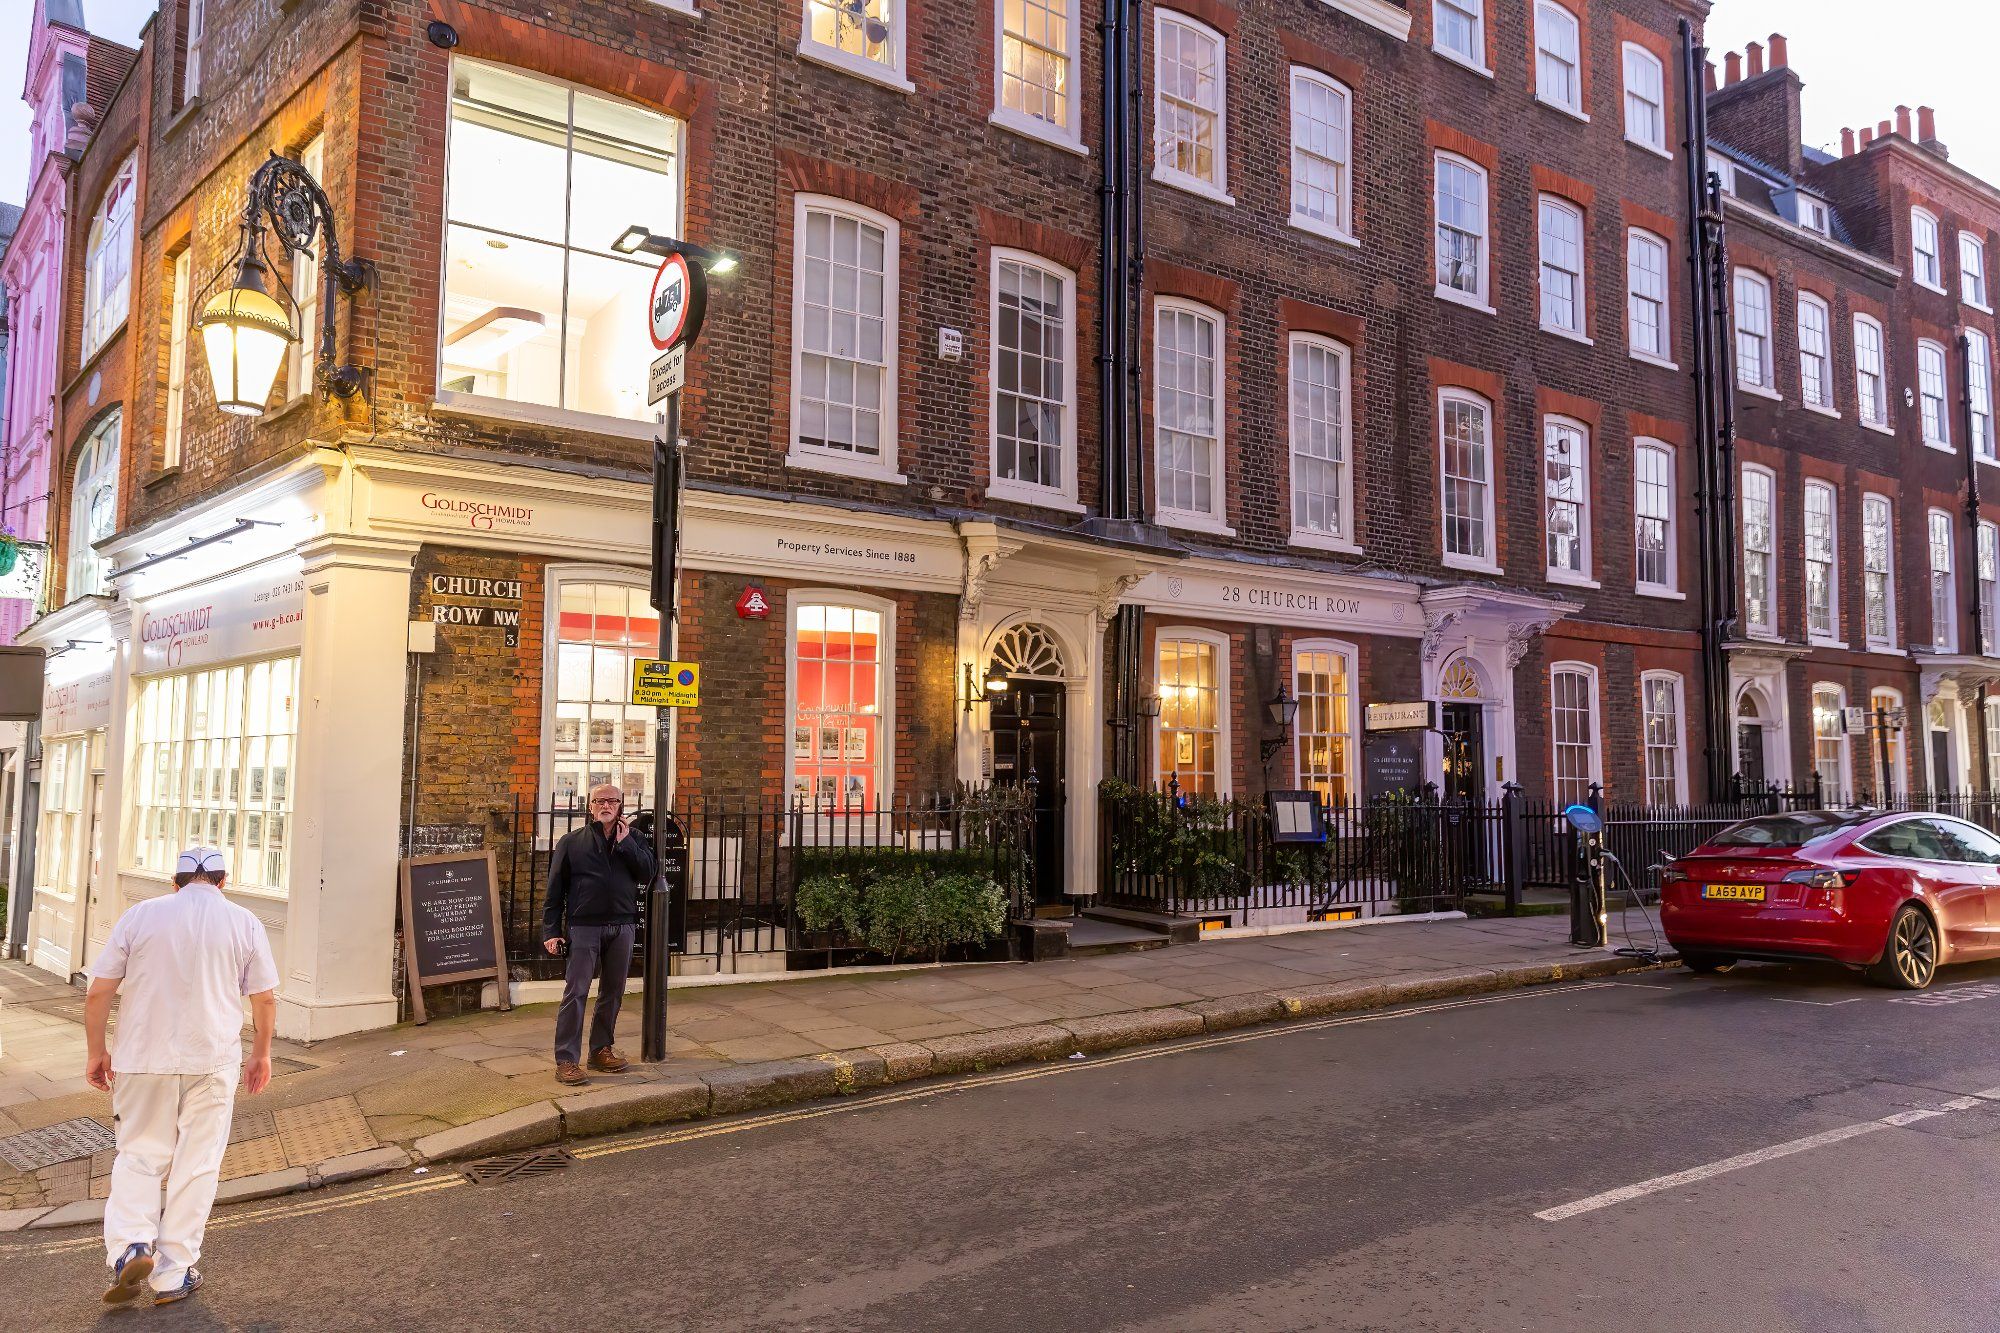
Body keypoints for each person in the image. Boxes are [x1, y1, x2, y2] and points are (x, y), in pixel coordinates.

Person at [85, 846, 278, 1309]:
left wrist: (96, 1051)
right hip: (212, 1060)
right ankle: (173, 1274)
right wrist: (262, 1054)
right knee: (198, 1164)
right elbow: (265, 999)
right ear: (223, 882)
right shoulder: (245, 922)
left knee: (139, 1155)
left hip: (142, 1058)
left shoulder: (140, 915)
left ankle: (132, 1245)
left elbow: (98, 992)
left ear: (174, 883)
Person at [544, 784, 658, 1085]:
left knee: (613, 991)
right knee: (576, 992)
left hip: (623, 925)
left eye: (612, 801)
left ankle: (600, 1050)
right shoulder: (571, 842)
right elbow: (554, 891)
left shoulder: (635, 838)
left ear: (621, 805)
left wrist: (626, 843)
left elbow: (648, 874)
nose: (606, 805)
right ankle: (566, 1060)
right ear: (590, 806)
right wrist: (551, 931)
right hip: (584, 927)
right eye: (600, 801)